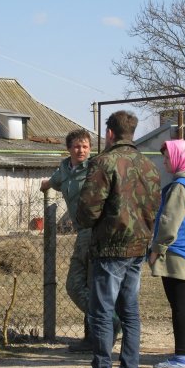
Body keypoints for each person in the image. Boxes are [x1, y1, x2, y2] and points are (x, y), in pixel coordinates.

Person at [77, 110, 161, 368]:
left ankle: (101, 367)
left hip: (111, 245)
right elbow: (155, 204)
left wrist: (85, 221)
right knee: (130, 311)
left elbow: (89, 208)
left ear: (110, 134)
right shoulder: (149, 165)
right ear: (131, 132)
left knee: (101, 312)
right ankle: (130, 367)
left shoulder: (104, 162)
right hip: (138, 246)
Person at [40, 129, 107, 352]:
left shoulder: (94, 169)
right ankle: (101, 329)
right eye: (77, 146)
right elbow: (56, 181)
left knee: (79, 285)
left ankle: (104, 326)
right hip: (82, 232)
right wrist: (46, 184)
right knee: (80, 286)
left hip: (93, 231)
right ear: (69, 148)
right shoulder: (65, 168)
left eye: (86, 146)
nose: (82, 150)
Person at [149, 140, 185, 368]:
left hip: (175, 250)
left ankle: (180, 358)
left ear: (180, 158)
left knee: (179, 305)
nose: (164, 162)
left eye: (167, 157)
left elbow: (169, 222)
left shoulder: (181, 186)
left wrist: (156, 249)